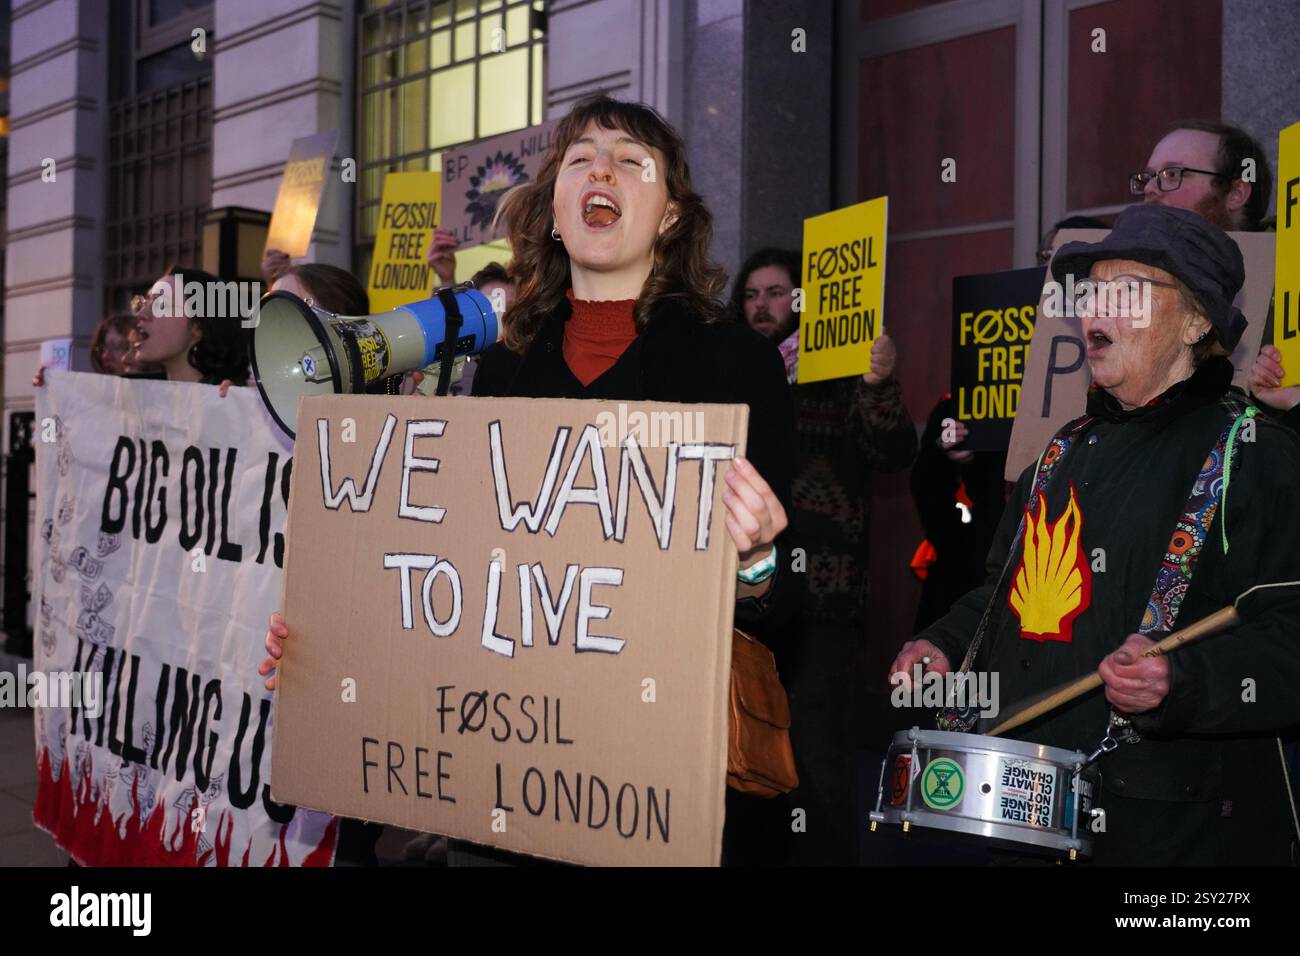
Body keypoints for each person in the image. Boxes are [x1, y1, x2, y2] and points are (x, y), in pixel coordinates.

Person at [261, 93, 797, 866]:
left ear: (672, 215)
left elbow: (783, 606)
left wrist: (757, 561)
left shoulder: (733, 361)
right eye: (579, 159)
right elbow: (455, 583)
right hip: (512, 796)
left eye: (628, 159)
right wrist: (333, 650)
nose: (600, 169)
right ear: (554, 208)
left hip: (650, 791)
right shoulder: (502, 366)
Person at [892, 204, 1300, 865]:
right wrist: (943, 645)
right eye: (1091, 291)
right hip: (1022, 816)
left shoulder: (1253, 454)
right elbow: (1001, 596)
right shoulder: (1060, 453)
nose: (1094, 310)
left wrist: (1184, 680)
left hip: (1173, 838)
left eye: (1126, 291)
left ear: (1197, 320)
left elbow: (1289, 636)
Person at [732, 246, 916, 865]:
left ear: (805, 301)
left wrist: (879, 382)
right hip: (738, 596)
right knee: (741, 752)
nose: (763, 305)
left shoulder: (842, 369)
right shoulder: (732, 369)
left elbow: (893, 451)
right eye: (753, 294)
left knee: (820, 761)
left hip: (822, 601)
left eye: (778, 293)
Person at [1133, 120, 1273, 232]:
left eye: (1172, 174)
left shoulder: (1285, 264)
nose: (1148, 188)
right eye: (1148, 177)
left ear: (1235, 194)